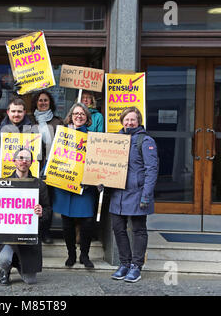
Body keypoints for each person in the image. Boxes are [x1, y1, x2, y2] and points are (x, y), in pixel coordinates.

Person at [108, 106, 158, 283]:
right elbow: (106, 166)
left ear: (139, 121)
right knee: (118, 229)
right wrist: (100, 180)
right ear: (122, 121)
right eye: (126, 120)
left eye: (133, 120)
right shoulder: (115, 140)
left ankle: (136, 266)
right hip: (117, 194)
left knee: (138, 230)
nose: (129, 123)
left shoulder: (145, 141)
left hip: (137, 193)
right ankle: (124, 263)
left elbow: (151, 170)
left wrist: (146, 195)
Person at [0, 148, 52, 285]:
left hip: (28, 236)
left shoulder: (39, 185)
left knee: (30, 280)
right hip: (8, 238)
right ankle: (5, 269)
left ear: (31, 162)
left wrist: (42, 212)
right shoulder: (1, 184)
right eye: (21, 158)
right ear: (14, 161)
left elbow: (48, 210)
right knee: (4, 259)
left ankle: (18, 263)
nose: (24, 161)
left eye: (27, 159)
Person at [51, 102, 97, 269]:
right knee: (67, 223)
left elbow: (98, 161)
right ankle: (71, 254)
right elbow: (52, 157)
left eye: (82, 114)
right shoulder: (62, 135)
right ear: (70, 117)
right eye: (76, 113)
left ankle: (84, 255)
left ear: (87, 118)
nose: (79, 116)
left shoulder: (93, 137)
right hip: (64, 184)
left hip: (85, 187)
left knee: (87, 222)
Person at [30, 90, 63, 244]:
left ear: (50, 103)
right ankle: (32, 231)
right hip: (31, 167)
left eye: (46, 100)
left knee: (46, 201)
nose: (43, 103)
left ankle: (45, 232)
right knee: (31, 200)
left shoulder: (58, 122)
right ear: (36, 103)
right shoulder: (29, 122)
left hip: (51, 168)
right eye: (40, 100)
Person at [0, 97, 33, 179]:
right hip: (4, 178)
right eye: (13, 111)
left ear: (24, 112)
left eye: (19, 111)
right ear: (8, 112)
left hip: (28, 179)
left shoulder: (33, 132)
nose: (16, 114)